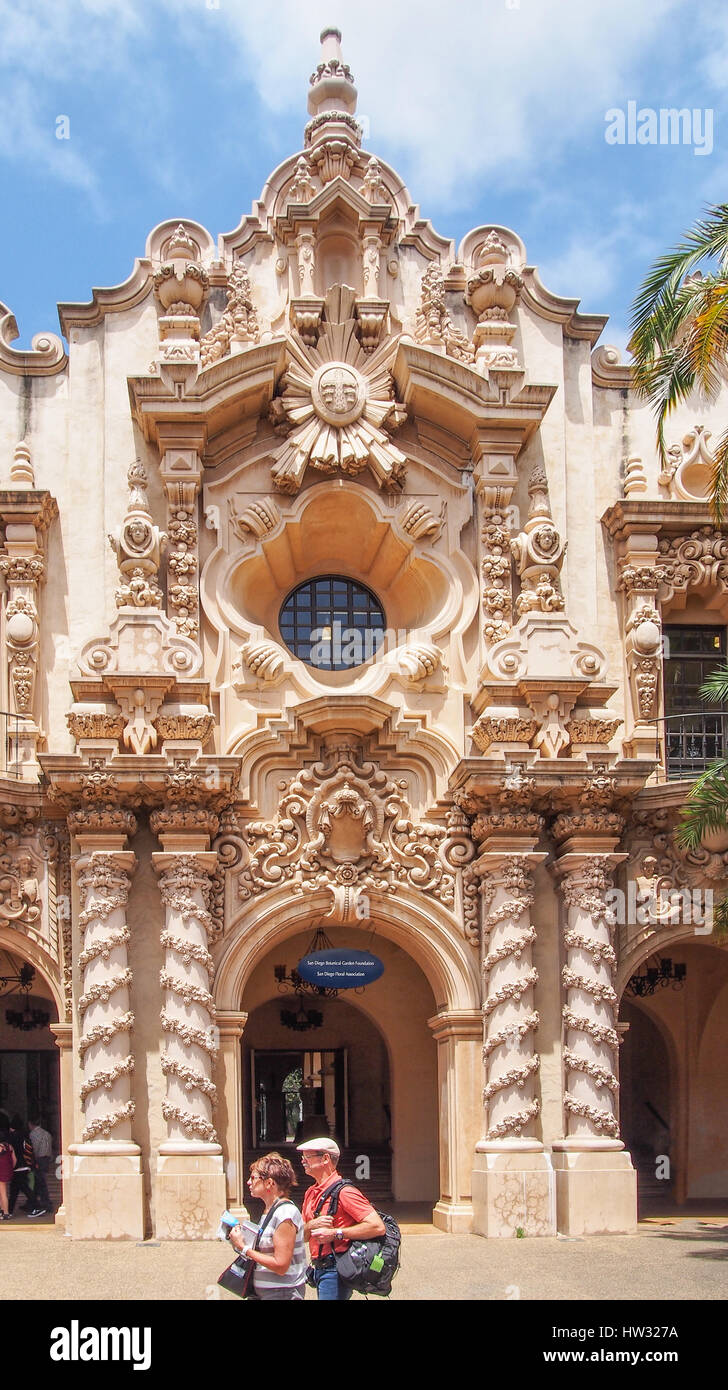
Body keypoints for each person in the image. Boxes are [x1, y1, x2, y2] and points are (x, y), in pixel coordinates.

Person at [298, 1137, 385, 1301]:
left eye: (307, 1157)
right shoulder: (310, 1192)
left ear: (325, 1158)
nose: (302, 1161)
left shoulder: (345, 1192)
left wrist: (336, 1233)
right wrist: (311, 1225)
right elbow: (301, 1236)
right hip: (318, 1268)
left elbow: (377, 1226)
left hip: (335, 1269)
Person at [229, 1152, 306, 1301]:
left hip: (282, 1293)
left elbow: (281, 1265)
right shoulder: (270, 1211)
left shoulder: (285, 1213)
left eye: (253, 1178)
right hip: (267, 1293)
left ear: (270, 1183)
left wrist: (244, 1248)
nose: (248, 1183)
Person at [8, 1116, 44, 1218]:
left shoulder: (12, 1137)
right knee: (15, 1190)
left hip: (17, 1167)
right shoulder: (25, 1136)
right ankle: (9, 1211)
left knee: (22, 1189)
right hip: (25, 1165)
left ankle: (36, 1207)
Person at [28, 1117, 53, 1213]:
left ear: (31, 1124)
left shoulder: (34, 1134)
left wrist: (33, 1161)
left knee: (41, 1182)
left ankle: (45, 1203)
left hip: (39, 1159)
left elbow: (34, 1149)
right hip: (46, 1159)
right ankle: (33, 1201)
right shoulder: (47, 1134)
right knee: (40, 1181)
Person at [0, 1124, 16, 1220]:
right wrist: (10, 1168)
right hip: (7, 1171)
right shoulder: (9, 1146)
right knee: (3, 1192)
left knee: (3, 1193)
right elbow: (15, 1160)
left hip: (1, 1172)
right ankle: (3, 1211)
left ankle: (5, 1212)